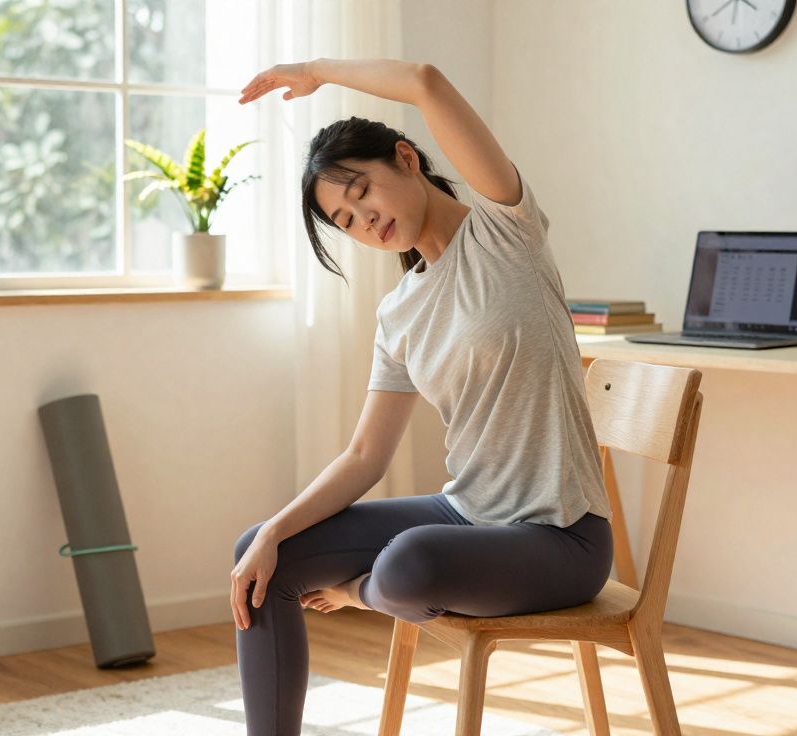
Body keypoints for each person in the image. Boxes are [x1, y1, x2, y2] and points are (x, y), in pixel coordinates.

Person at [230, 57, 614, 736]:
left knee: (410, 562)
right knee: (259, 556)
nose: (362, 222)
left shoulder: (505, 230)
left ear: (405, 159)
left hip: (561, 539)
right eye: (344, 220)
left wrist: (317, 70)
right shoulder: (400, 312)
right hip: (469, 512)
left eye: (362, 194)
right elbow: (363, 455)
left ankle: (361, 592)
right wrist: (272, 530)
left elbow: (426, 83)